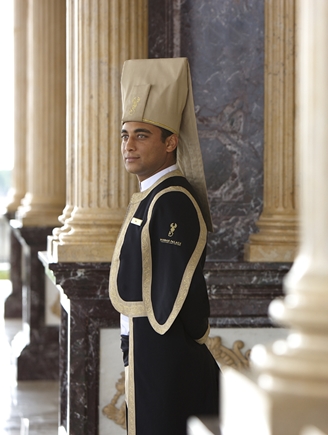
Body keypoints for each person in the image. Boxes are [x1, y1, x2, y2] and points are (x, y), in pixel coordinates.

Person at [109, 58, 219, 435]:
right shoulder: (151, 195)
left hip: (166, 355)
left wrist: (152, 344)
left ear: (171, 142)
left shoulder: (172, 199)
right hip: (147, 350)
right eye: (125, 135)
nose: (129, 145)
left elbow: (176, 295)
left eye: (142, 135)